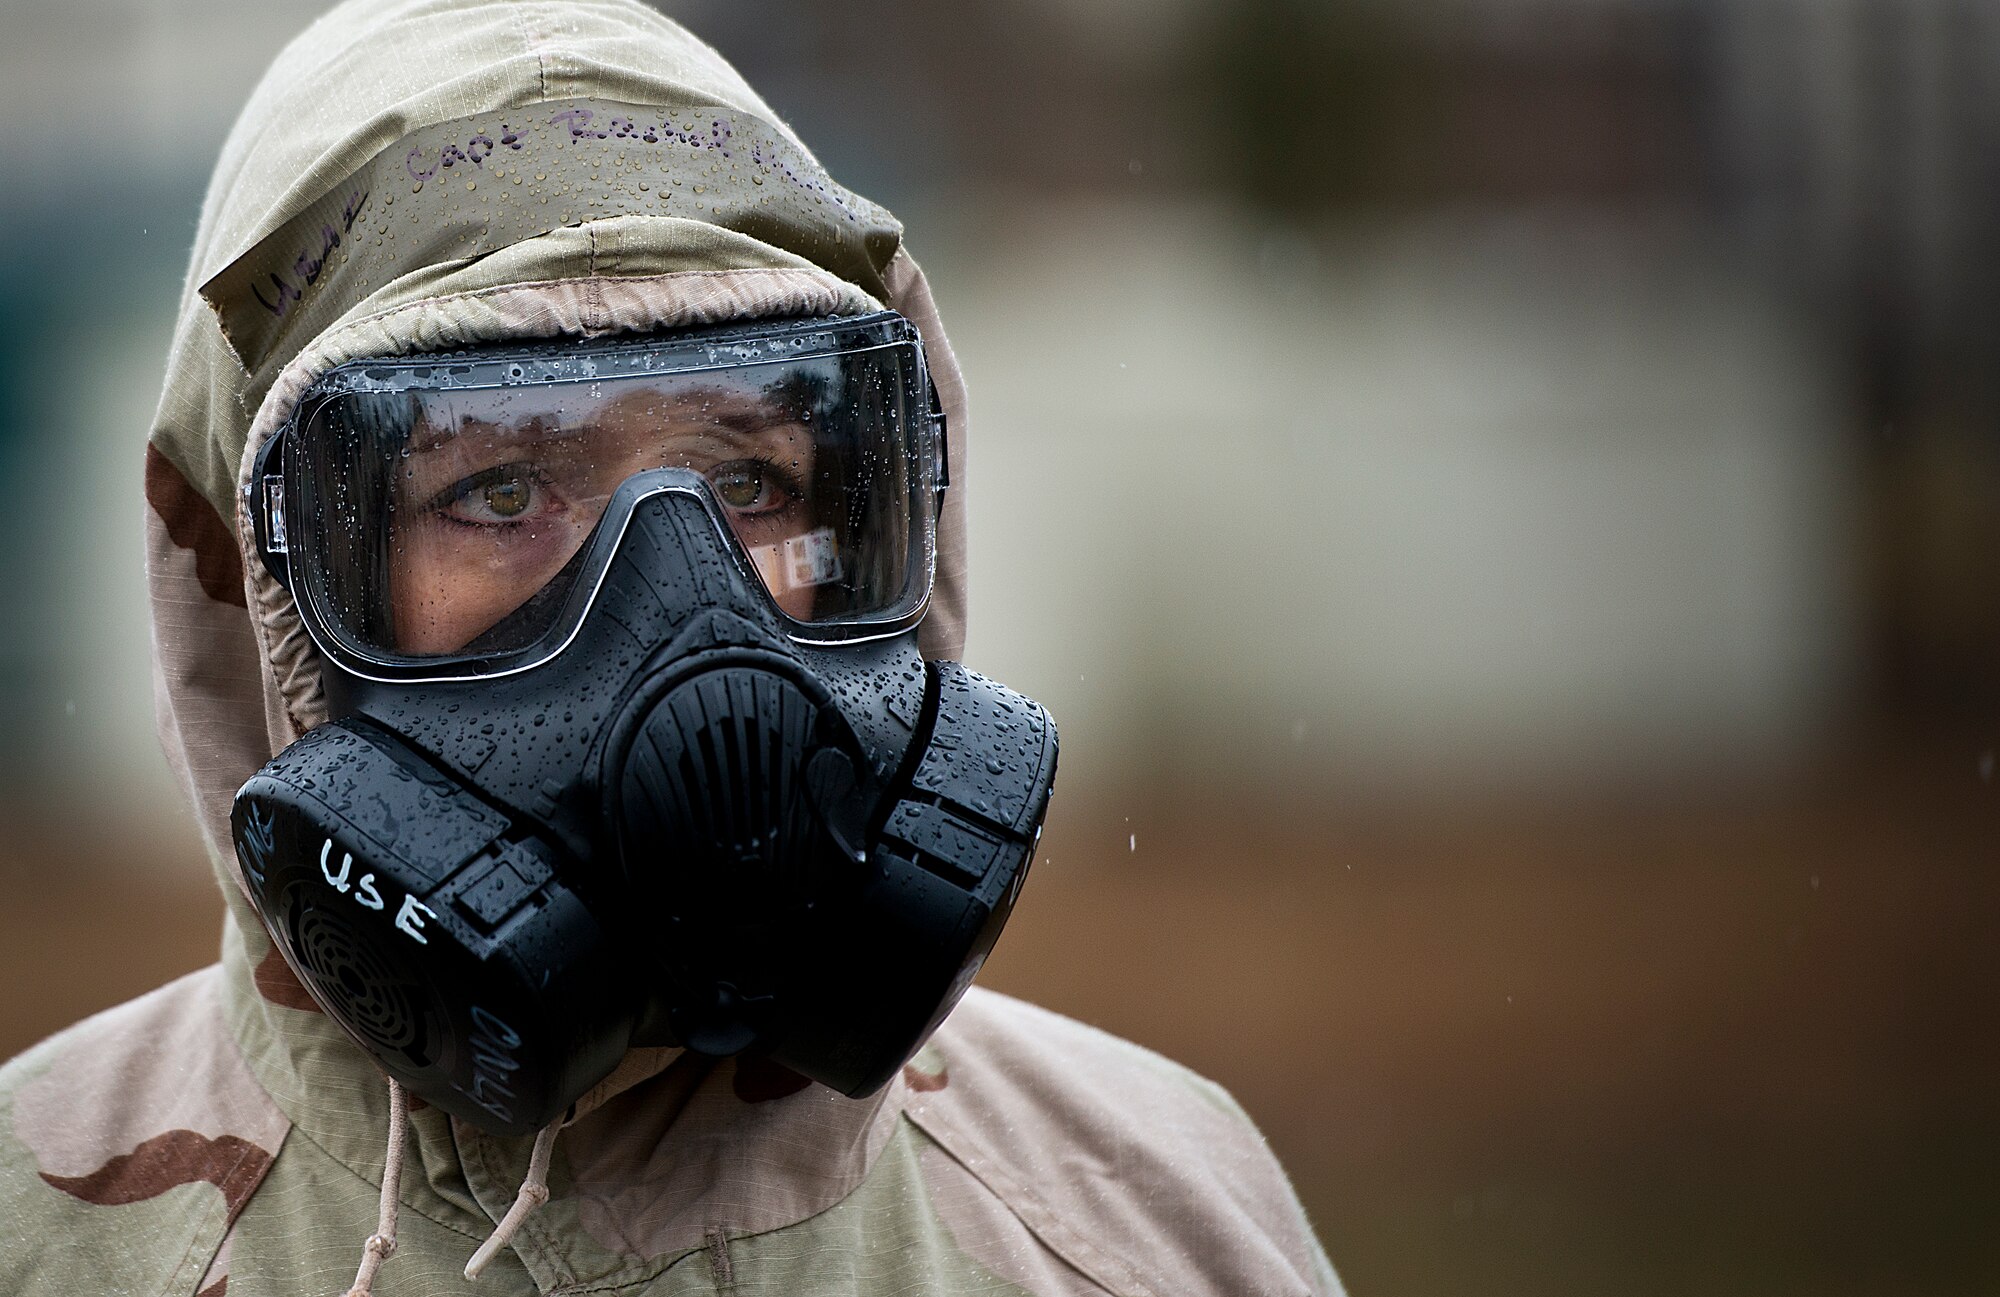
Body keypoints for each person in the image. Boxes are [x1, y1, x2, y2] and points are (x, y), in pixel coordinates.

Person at [0, 2, 1341, 1294]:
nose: (679, 610)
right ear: (264, 593)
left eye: (750, 480)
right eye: (500, 491)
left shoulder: (1160, 1214)